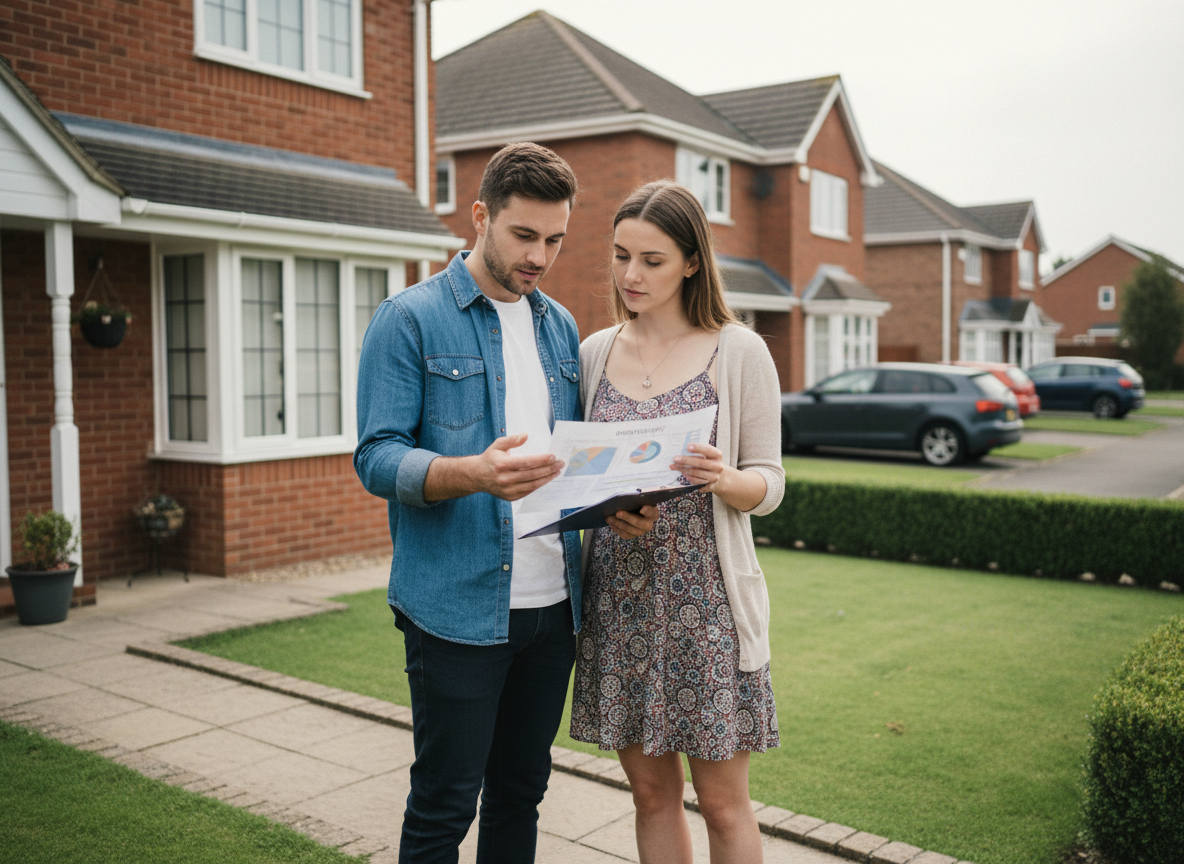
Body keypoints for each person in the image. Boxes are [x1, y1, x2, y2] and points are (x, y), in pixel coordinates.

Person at [354, 142, 653, 863]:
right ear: (481, 216)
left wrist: (612, 499)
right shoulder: (410, 318)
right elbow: (376, 455)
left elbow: (571, 460)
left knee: (521, 793)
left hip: (553, 609)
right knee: (444, 803)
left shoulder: (556, 326)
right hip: (456, 609)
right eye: (524, 236)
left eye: (555, 239)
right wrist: (470, 473)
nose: (540, 257)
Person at [570, 180, 786, 863]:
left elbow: (771, 482)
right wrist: (607, 517)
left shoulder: (739, 350)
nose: (631, 275)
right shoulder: (593, 353)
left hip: (708, 606)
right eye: (621, 255)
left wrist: (726, 480)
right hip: (620, 602)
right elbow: (579, 476)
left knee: (723, 804)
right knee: (651, 797)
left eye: (652, 260)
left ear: (692, 261)